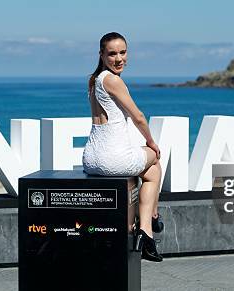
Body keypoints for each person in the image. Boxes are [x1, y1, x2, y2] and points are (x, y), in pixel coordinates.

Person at [82, 32, 164, 262]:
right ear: (101, 55)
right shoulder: (113, 80)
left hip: (91, 158)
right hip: (112, 160)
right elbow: (137, 116)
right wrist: (150, 142)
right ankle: (148, 227)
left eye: (123, 52)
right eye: (112, 54)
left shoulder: (94, 79)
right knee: (155, 163)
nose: (119, 59)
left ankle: (149, 224)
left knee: (147, 169)